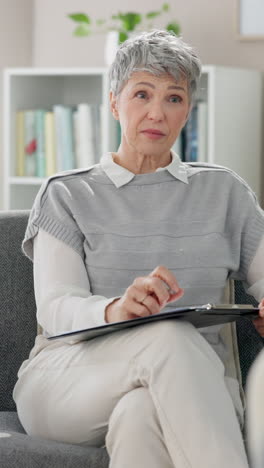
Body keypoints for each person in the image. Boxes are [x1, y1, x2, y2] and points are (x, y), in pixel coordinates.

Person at [12, 29, 264, 468]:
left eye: (173, 98)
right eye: (141, 94)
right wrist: (116, 309)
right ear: (114, 102)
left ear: (188, 109)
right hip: (69, 382)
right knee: (165, 333)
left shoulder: (224, 192)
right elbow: (56, 308)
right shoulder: (66, 194)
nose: (157, 113)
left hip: (193, 389)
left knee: (141, 414)